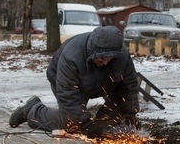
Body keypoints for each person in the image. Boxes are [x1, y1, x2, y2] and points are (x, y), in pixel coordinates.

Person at [9, 25, 140, 137]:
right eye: (101, 59)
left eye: (109, 59)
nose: (105, 63)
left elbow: (129, 85)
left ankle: (100, 128)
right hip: (67, 84)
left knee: (104, 128)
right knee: (72, 124)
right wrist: (85, 124)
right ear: (92, 52)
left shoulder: (121, 56)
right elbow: (69, 98)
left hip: (101, 84)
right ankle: (32, 110)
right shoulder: (71, 57)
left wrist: (130, 112)